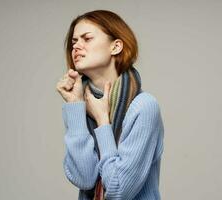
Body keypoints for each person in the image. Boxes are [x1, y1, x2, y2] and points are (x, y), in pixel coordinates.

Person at [56, 9, 164, 200]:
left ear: (115, 47)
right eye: (74, 42)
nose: (76, 47)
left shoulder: (143, 107)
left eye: (86, 38)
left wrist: (102, 121)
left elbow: (118, 190)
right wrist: (74, 104)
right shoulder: (79, 105)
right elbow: (85, 179)